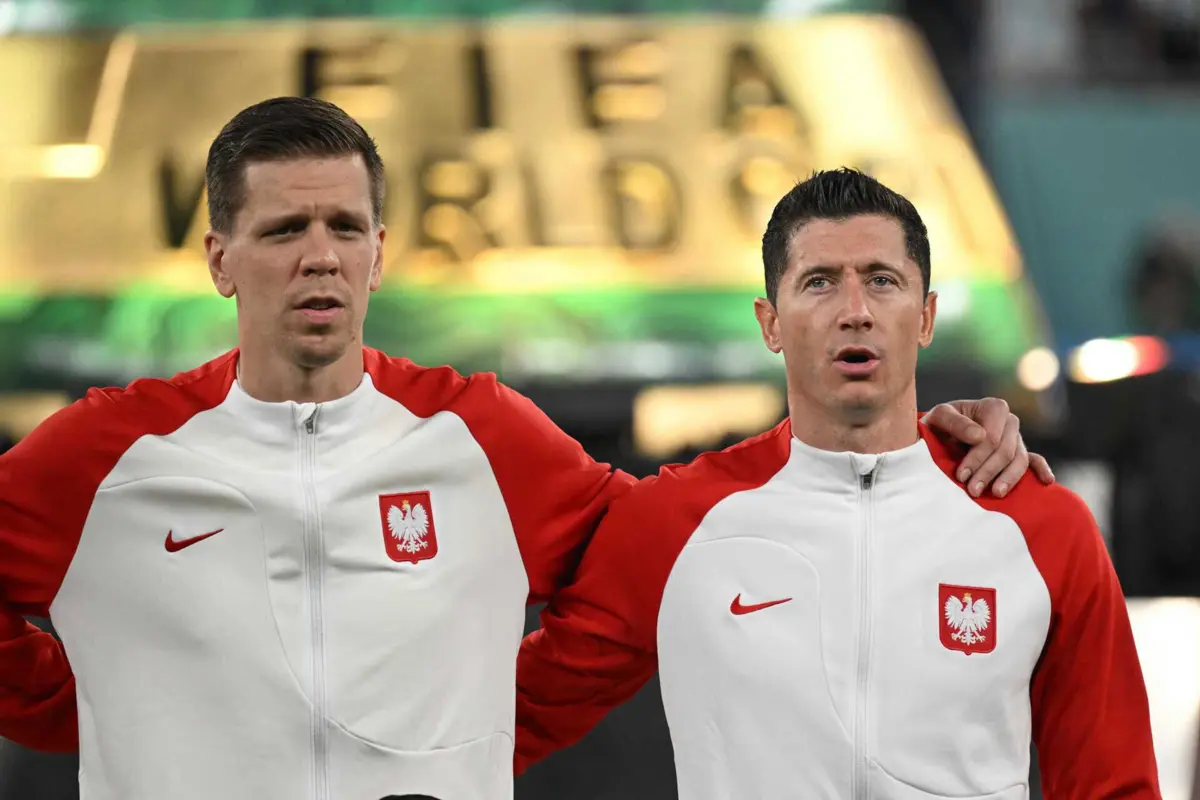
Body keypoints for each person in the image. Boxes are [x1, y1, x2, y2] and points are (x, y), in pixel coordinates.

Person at [0, 98, 1046, 800]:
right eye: (282, 231)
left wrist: (916, 445)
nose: (318, 255)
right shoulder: (111, 449)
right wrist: (90, 700)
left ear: (378, 252)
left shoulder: (479, 434)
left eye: (344, 226)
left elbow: (678, 541)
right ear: (221, 257)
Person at [513, 168, 1160, 799]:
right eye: (820, 282)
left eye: (883, 281)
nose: (855, 312)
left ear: (927, 316)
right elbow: (505, 722)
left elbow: (1113, 783)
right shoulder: (678, 522)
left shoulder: (1041, 527)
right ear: (770, 323)